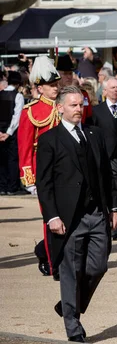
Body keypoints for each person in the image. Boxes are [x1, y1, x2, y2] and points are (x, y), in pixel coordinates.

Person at [37, 85, 117, 342]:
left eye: (80, 105)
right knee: (70, 272)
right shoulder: (50, 139)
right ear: (60, 108)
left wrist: (114, 208)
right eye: (73, 105)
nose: (78, 110)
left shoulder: (95, 134)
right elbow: (44, 182)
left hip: (96, 214)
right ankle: (73, 327)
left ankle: (68, 306)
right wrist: (51, 217)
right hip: (68, 218)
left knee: (98, 267)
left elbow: (106, 176)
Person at [18, 56, 62, 277]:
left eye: (56, 85)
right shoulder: (30, 111)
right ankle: (53, 262)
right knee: (50, 217)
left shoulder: (65, 106)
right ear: (40, 88)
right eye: (51, 85)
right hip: (42, 171)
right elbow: (25, 146)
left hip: (65, 170)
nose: (55, 88)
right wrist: (29, 177)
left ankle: (42, 251)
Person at [88, 77, 117, 241]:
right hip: (105, 157)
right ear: (105, 91)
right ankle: (115, 226)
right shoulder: (97, 111)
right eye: (113, 87)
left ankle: (112, 213)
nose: (116, 90)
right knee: (112, 187)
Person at [0, 71, 24, 195]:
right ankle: (12, 187)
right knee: (12, 159)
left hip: (0, 131)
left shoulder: (1, 94)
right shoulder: (18, 96)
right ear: (18, 84)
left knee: (1, 160)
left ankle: (2, 186)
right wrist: (8, 133)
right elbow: (17, 116)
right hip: (12, 132)